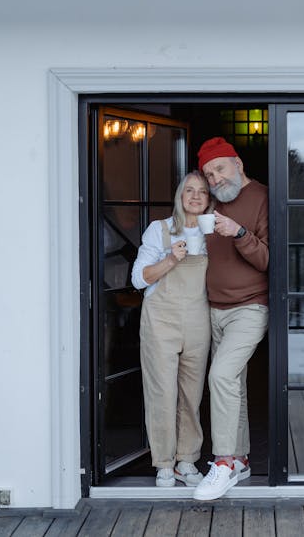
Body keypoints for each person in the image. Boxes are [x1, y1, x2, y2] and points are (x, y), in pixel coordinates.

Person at [192, 137, 269, 501]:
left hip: (250, 307)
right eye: (209, 174)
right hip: (212, 308)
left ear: (237, 163)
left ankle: (221, 463)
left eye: (219, 168)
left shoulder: (264, 197)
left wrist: (238, 233)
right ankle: (240, 459)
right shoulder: (210, 204)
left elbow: (271, 261)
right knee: (232, 383)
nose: (215, 179)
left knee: (220, 376)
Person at [130, 171, 213, 487]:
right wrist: (170, 259)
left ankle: (187, 461)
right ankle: (164, 463)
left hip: (197, 319)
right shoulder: (159, 230)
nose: (194, 196)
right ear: (180, 196)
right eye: (189, 190)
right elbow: (138, 278)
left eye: (202, 192)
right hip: (161, 319)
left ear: (208, 200)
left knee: (191, 394)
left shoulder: (212, 234)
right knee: (162, 391)